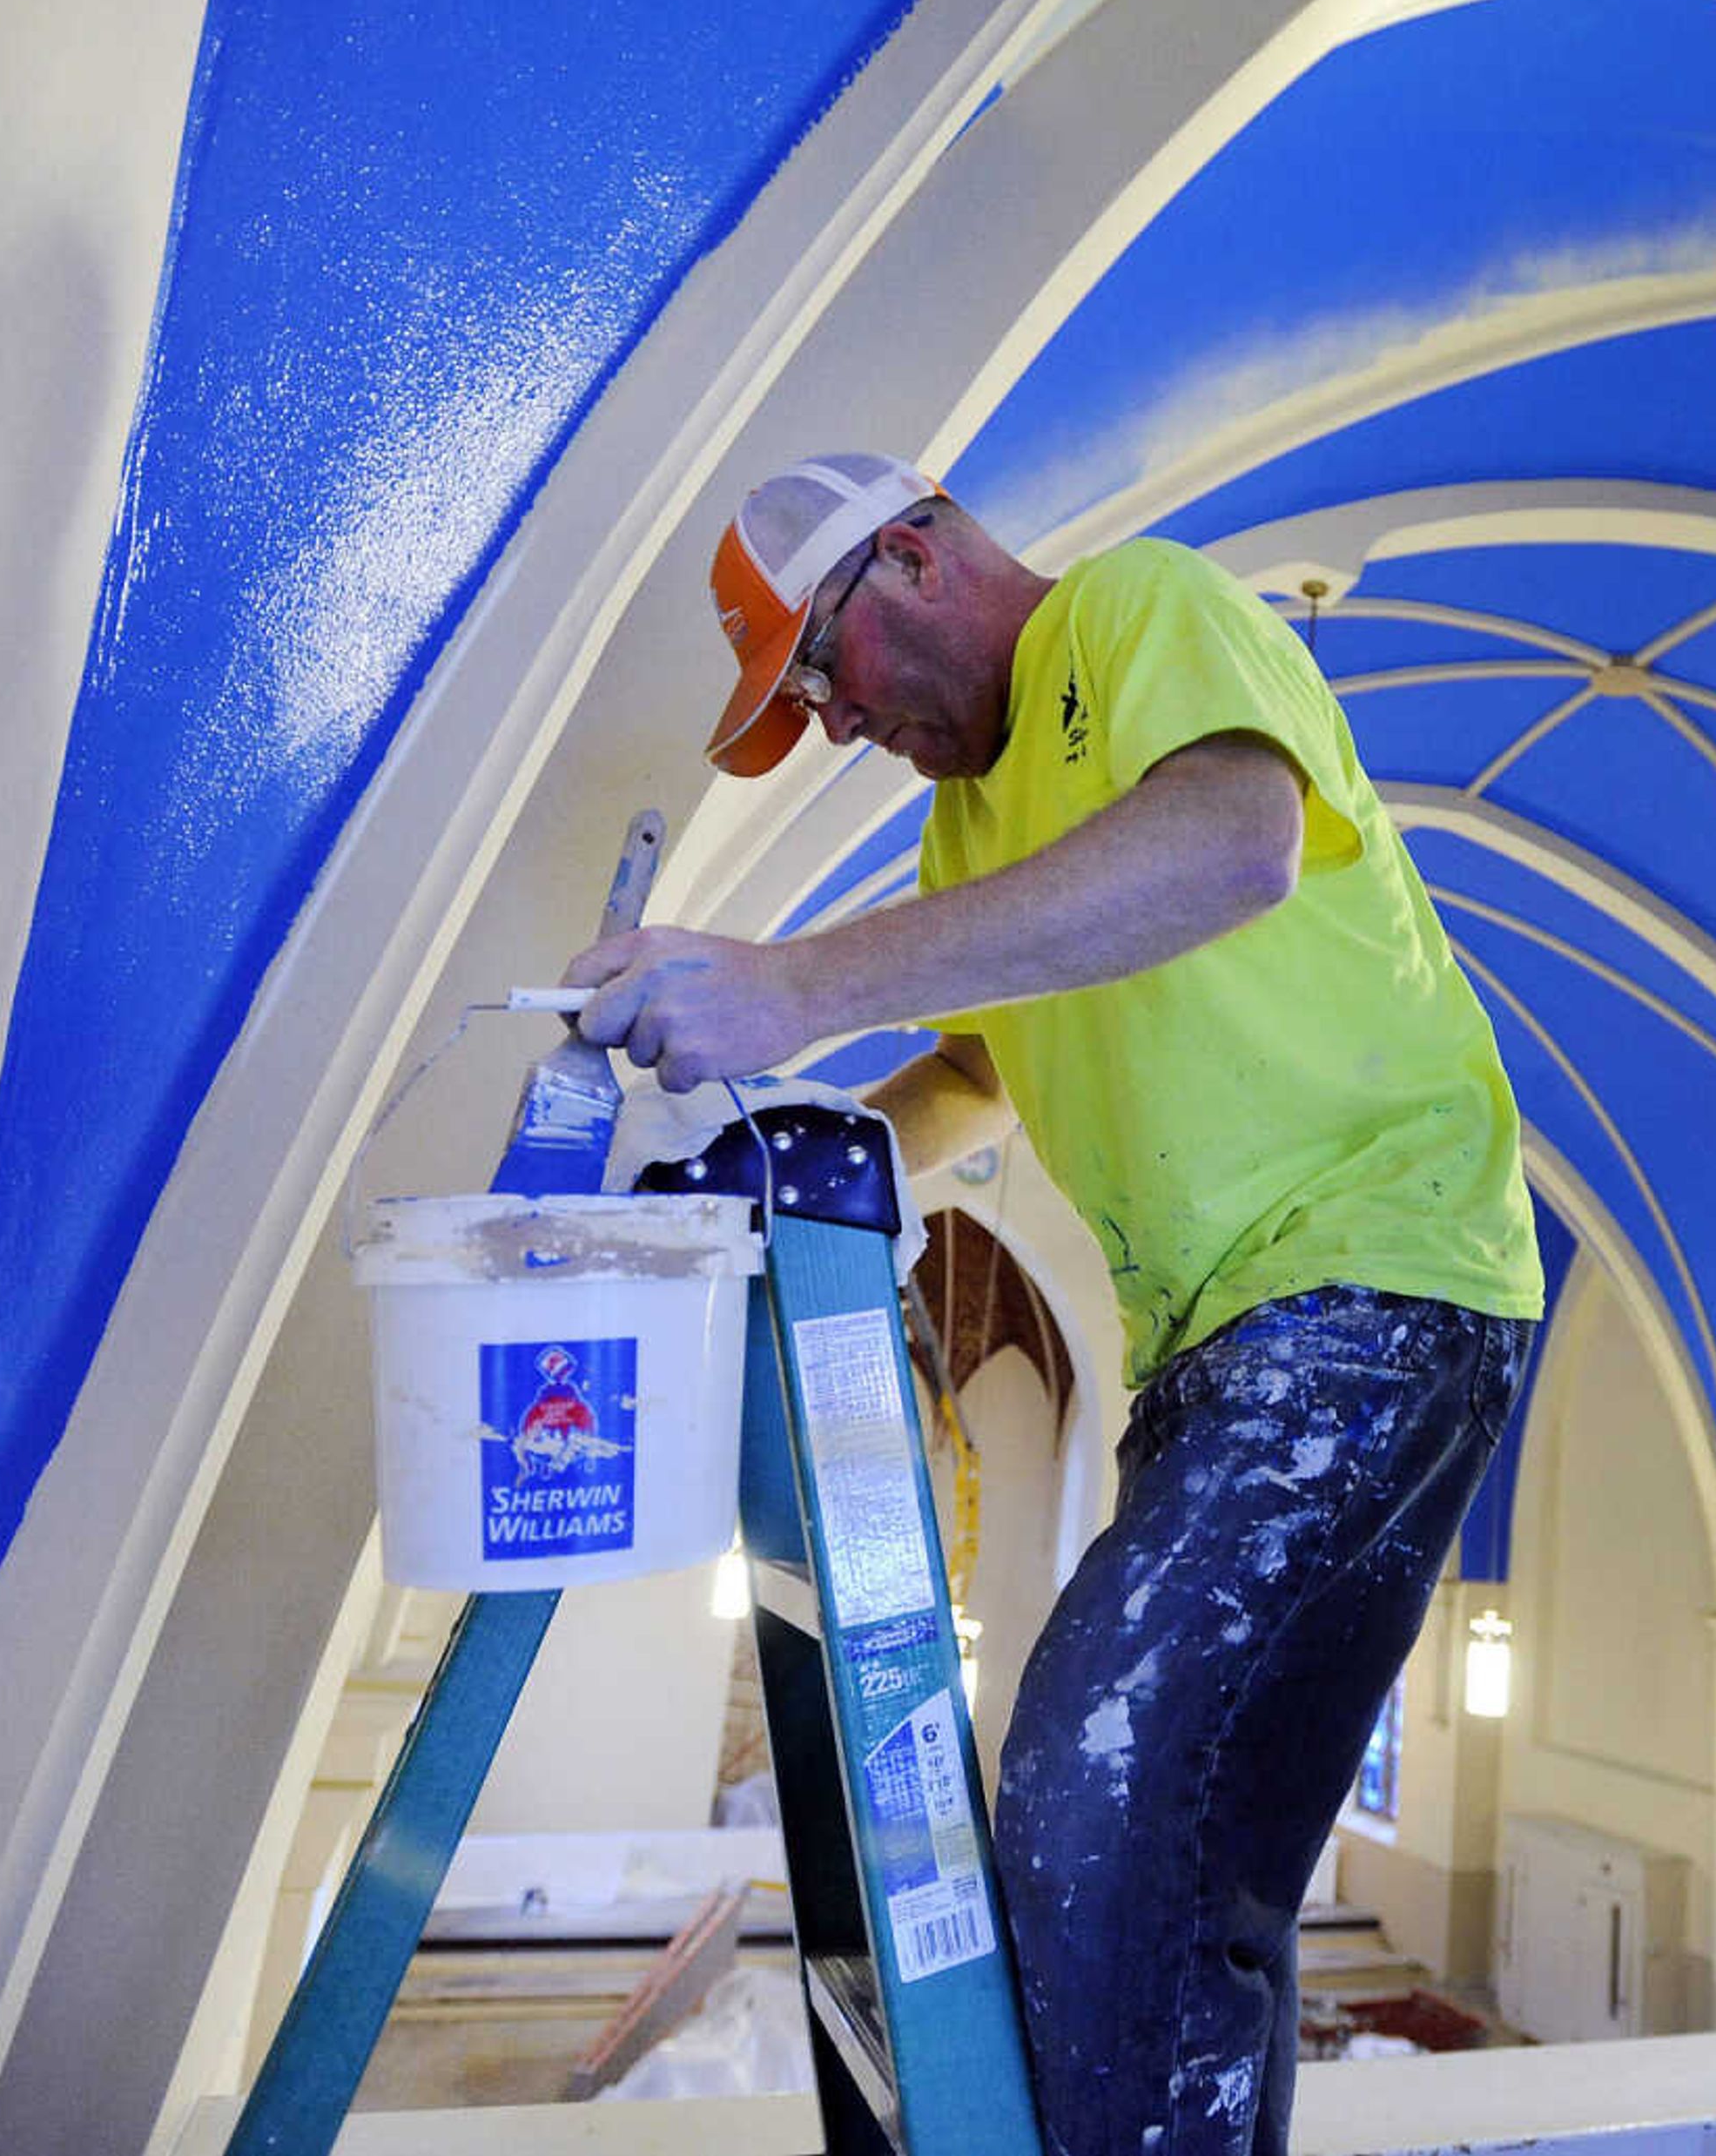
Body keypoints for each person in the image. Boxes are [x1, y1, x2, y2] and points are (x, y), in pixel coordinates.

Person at [566, 452, 1541, 2155]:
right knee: (1183, 1878)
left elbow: (1235, 840)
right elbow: (972, 1083)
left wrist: (795, 983)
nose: (838, 728)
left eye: (825, 674)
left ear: (918, 559)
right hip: (1214, 1352)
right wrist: (788, 1155)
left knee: (1101, 1781)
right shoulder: (966, 822)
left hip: (1377, 1280)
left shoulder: (1138, 608)